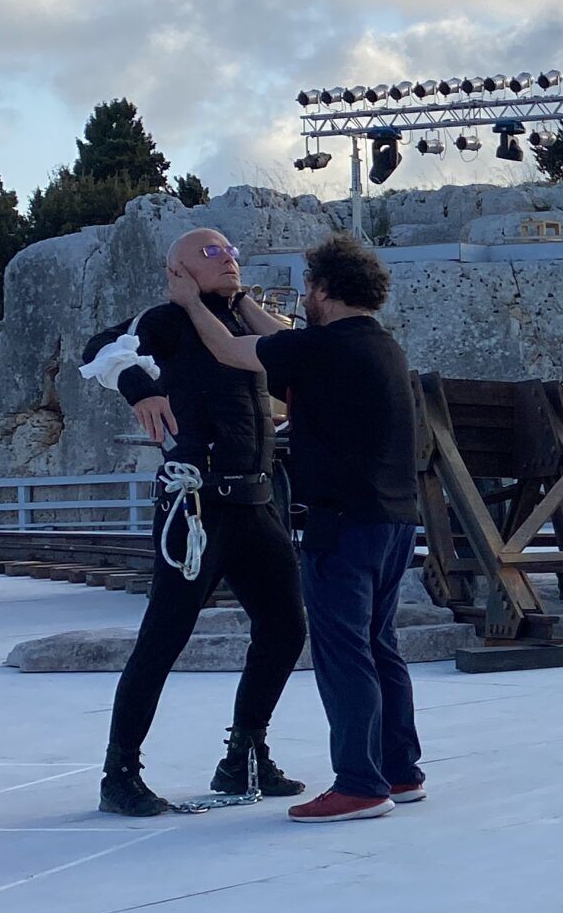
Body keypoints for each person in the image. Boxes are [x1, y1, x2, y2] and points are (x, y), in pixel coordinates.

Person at [170, 233, 424, 824]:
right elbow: (288, 341)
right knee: (381, 646)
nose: (303, 296)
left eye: (309, 287)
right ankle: (401, 770)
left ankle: (361, 784)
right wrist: (239, 302)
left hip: (342, 525)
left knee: (344, 655)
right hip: (393, 523)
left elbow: (237, 352)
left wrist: (192, 305)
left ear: (326, 291)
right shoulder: (377, 346)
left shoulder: (327, 350)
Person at [80, 231, 309, 817]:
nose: (228, 258)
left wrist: (238, 301)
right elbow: (102, 347)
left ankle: (244, 756)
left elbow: (297, 347)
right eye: (212, 253)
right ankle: (119, 772)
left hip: (257, 506)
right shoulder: (167, 320)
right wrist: (140, 390)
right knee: (163, 637)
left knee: (285, 629)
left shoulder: (247, 324)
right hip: (197, 507)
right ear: (178, 271)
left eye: (232, 251)